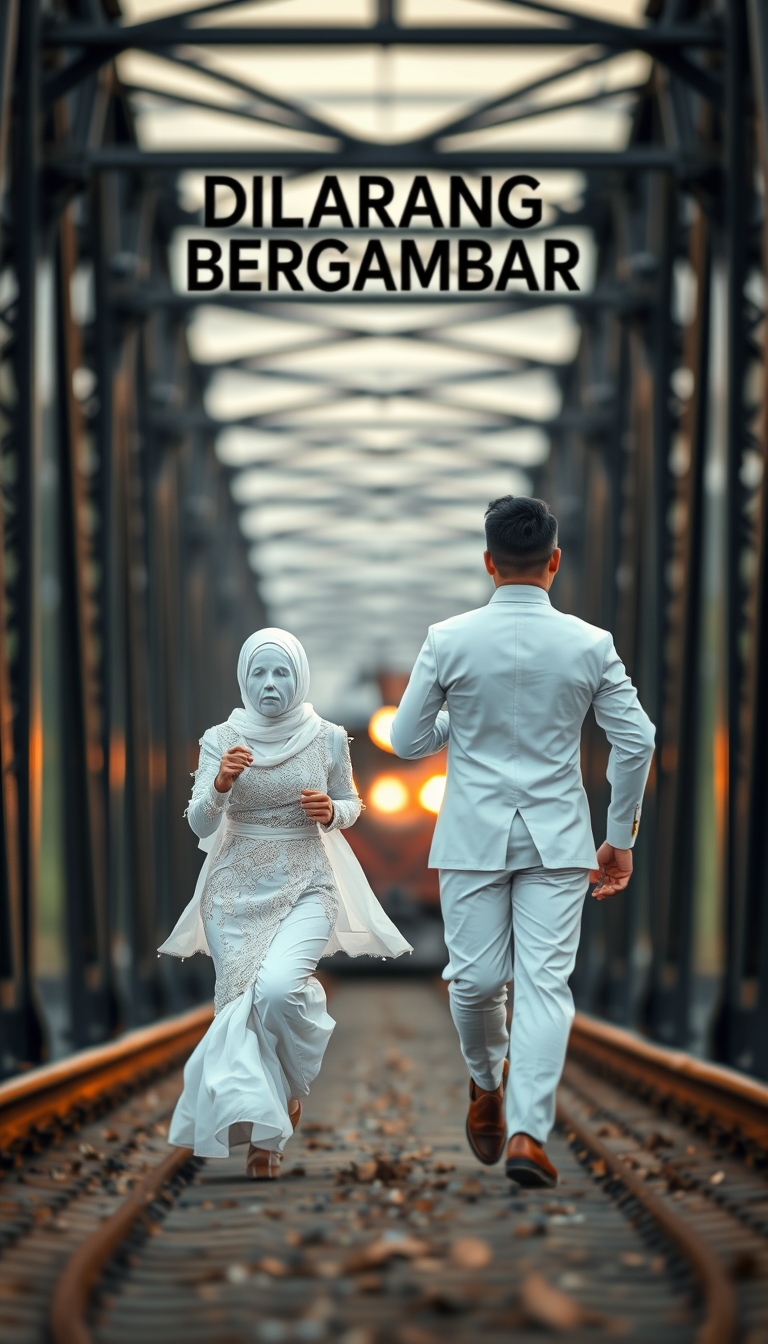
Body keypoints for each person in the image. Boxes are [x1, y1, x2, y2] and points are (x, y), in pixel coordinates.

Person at [390, 497, 655, 1188]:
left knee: (513, 985)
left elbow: (407, 739)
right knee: (496, 984)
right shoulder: (589, 643)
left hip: (485, 837)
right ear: (555, 563)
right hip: (560, 835)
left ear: (488, 562)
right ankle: (488, 1084)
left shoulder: (447, 639)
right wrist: (619, 833)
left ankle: (528, 1134)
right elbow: (638, 738)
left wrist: (460, 723)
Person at [159, 628, 411, 1178]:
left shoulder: (327, 737)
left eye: (281, 673)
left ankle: (290, 1091)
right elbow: (200, 821)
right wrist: (220, 784)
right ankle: (266, 1141)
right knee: (240, 1010)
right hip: (232, 889)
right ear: (244, 679)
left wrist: (332, 812)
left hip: (306, 882)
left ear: (298, 677)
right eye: (259, 673)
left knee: (275, 993)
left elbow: (351, 803)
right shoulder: (219, 738)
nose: (270, 684)